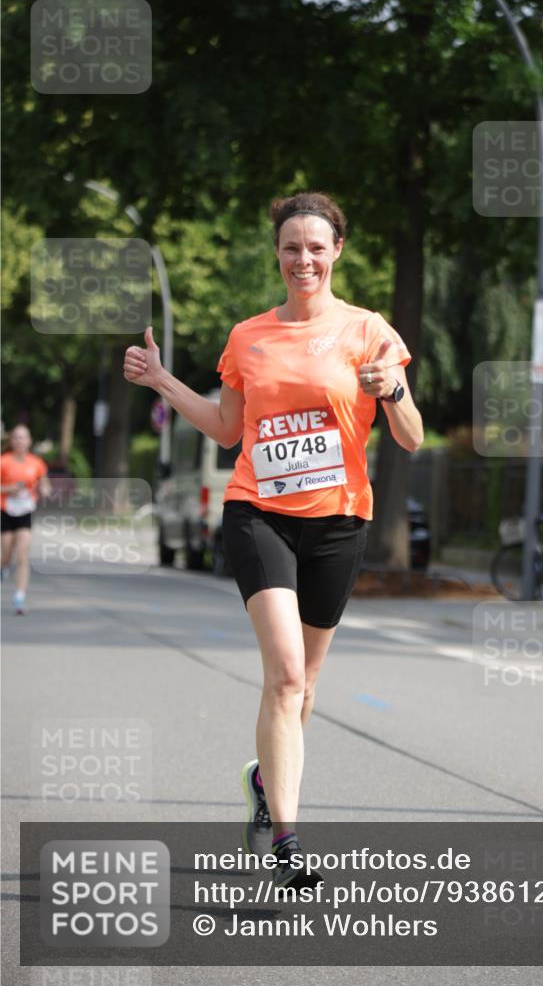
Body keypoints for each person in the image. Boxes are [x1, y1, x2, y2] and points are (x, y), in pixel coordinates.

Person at [124, 191, 423, 887]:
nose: (303, 259)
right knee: (286, 674)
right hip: (257, 510)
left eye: (316, 247)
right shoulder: (247, 336)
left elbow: (408, 437)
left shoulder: (369, 333)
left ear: (337, 251)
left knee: (305, 685)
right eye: (291, 247)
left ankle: (263, 780)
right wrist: (164, 380)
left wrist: (393, 392)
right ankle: (288, 839)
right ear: (277, 253)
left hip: (339, 519)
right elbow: (229, 431)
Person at [1, 424, 51, 614]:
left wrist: (45, 490)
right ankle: (3, 567)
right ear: (12, 441)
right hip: (5, 511)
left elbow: (44, 483)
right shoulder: (3, 462)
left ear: (29, 441)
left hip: (25, 512)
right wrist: (9, 489)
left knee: (22, 555)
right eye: (16, 437)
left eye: (23, 437)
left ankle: (19, 598)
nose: (20, 441)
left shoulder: (36, 463)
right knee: (5, 555)